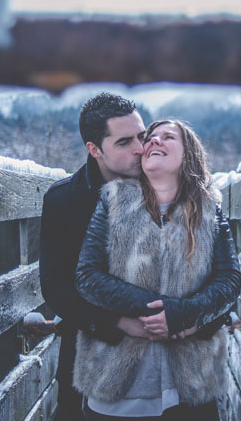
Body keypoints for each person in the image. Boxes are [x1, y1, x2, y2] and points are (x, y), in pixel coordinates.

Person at [75, 119, 241, 420]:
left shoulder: (208, 208)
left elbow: (229, 280)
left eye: (168, 137)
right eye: (150, 138)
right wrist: (157, 311)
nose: (154, 142)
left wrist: (184, 313)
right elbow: (88, 276)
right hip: (117, 379)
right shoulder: (113, 200)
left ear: (188, 153)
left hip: (191, 381)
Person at [40, 93, 150, 421]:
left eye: (142, 136)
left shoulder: (167, 187)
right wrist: (115, 323)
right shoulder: (64, 201)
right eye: (125, 141)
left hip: (166, 356)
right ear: (95, 150)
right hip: (91, 356)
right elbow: (56, 287)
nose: (140, 148)